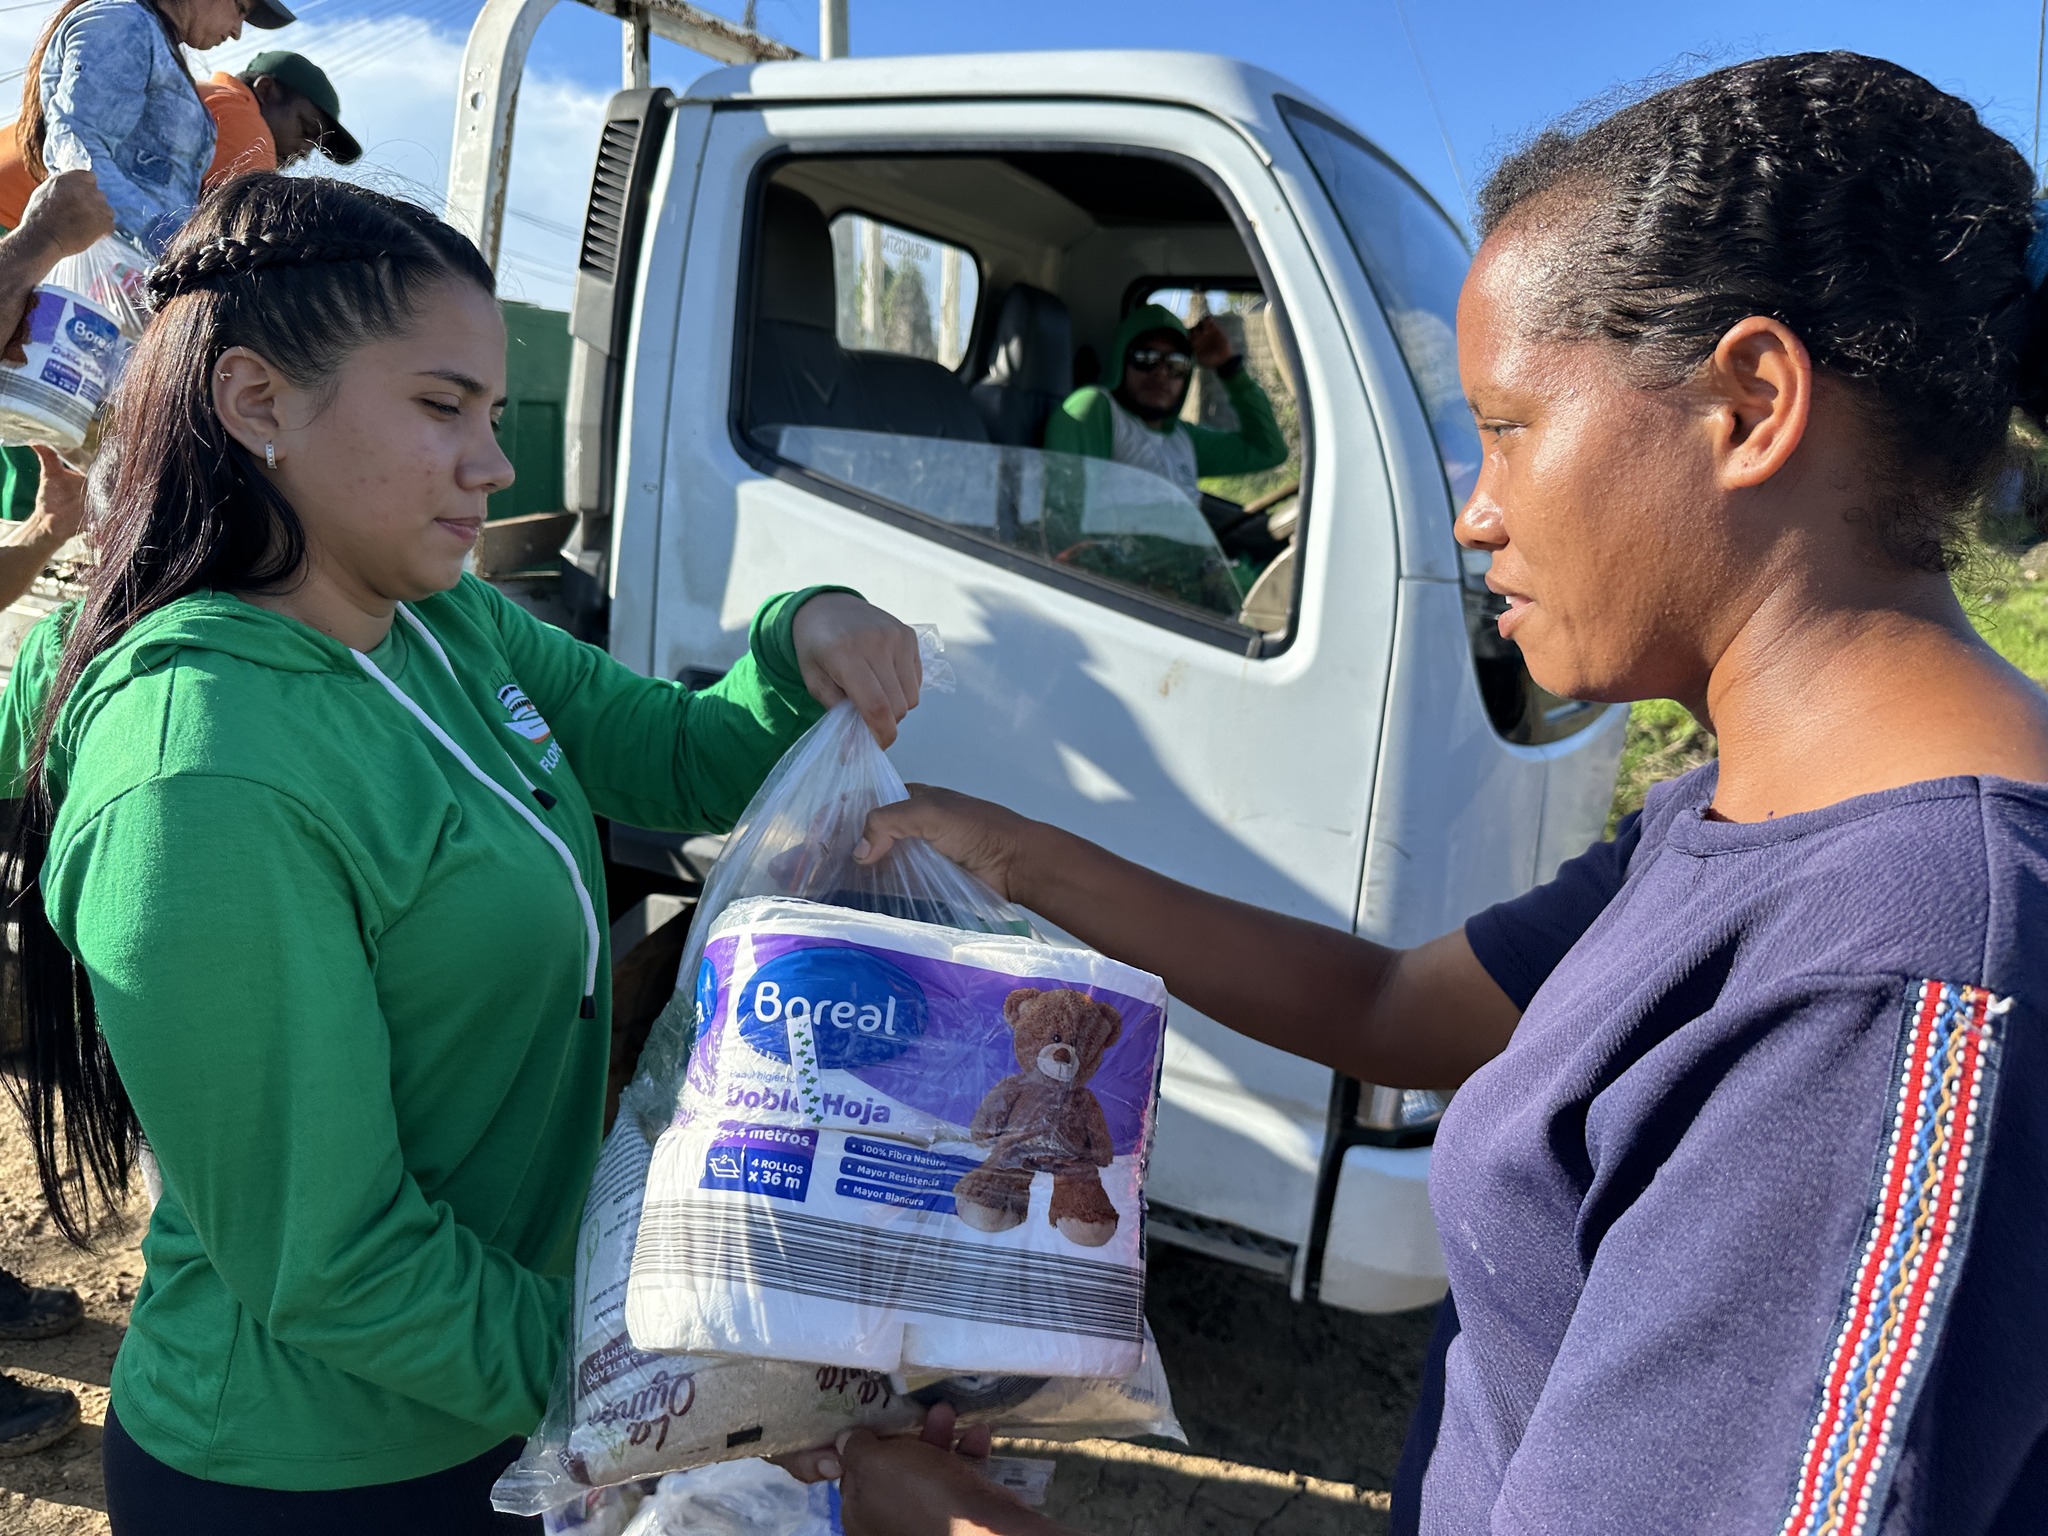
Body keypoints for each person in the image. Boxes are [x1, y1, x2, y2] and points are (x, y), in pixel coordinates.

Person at [805, 51, 2048, 1536]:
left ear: (1749, 403)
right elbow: (1394, 1007)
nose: (1475, 510)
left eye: (1508, 426)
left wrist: (940, 1520)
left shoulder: (1895, 983)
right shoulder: (1738, 813)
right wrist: (1007, 853)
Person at [2, 171, 923, 1533]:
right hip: (311, 1473)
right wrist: (677, 1385)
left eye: (492, 413)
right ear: (258, 402)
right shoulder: (205, 774)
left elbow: (675, 753)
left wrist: (801, 635)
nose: (494, 465)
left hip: (494, 1403)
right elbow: (337, 1260)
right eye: (443, 407)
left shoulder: (439, 620)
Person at [19, 0, 294, 255]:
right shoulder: (125, 25)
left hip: (136, 263)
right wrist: (160, 235)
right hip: (114, 261)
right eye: (240, 8)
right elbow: (77, 148)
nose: (237, 32)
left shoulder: (151, 39)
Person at [1043, 302, 1286, 505]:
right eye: (1145, 358)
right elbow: (1067, 520)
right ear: (1121, 360)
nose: (1161, 373)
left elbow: (1268, 451)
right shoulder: (1096, 410)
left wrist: (1229, 368)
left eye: (1176, 363)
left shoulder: (1182, 437)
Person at [194, 49, 362, 181]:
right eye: (306, 131)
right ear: (265, 89)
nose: (304, 154)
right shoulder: (247, 129)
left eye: (314, 146)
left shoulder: (204, 94)